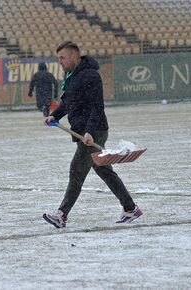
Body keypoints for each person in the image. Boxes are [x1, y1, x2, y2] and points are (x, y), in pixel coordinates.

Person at [42, 41, 142, 228]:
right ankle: (130, 208)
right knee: (103, 169)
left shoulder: (90, 76)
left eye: (62, 58)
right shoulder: (71, 75)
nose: (60, 62)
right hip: (84, 131)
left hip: (93, 130)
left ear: (74, 56)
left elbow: (97, 106)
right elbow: (67, 103)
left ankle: (61, 215)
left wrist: (89, 131)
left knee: (77, 171)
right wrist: (54, 115)